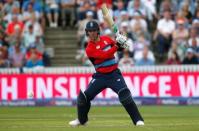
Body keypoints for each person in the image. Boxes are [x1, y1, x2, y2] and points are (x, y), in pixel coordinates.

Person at [69, 20, 144, 127]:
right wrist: (117, 45)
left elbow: (122, 48)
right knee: (83, 98)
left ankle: (137, 120)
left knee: (125, 95)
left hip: (114, 74)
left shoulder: (107, 39)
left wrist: (122, 40)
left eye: (94, 30)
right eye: (90, 31)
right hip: (100, 77)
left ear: (98, 31)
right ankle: (82, 120)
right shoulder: (89, 48)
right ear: (87, 32)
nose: (92, 33)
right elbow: (105, 55)